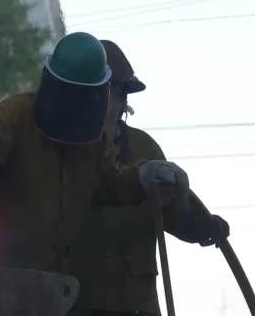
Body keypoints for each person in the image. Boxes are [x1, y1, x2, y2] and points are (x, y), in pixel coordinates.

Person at [0, 32, 190, 273]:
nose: (74, 108)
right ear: (54, 85)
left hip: (48, 281)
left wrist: (141, 176)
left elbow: (109, 182)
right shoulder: (13, 116)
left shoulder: (94, 139)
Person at [64, 40, 230, 316]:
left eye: (111, 94)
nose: (104, 103)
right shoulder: (60, 147)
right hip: (76, 300)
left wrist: (198, 227)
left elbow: (172, 212)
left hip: (135, 302)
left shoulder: (145, 148)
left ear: (121, 98)